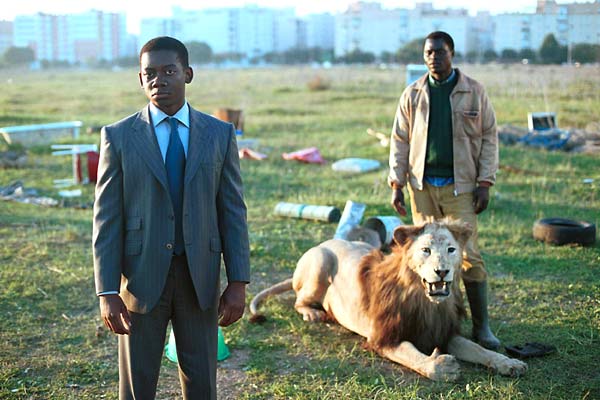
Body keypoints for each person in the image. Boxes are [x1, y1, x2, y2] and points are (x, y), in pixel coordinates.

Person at [93, 36, 250, 399]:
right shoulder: (118, 137)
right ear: (139, 79)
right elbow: (107, 219)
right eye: (149, 73)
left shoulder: (219, 134)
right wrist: (107, 291)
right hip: (140, 278)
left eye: (169, 71)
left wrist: (238, 281)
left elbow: (232, 212)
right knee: (137, 383)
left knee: (201, 382)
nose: (158, 80)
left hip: (200, 277)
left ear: (188, 74)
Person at [388, 31, 500, 350]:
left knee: (469, 257)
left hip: (461, 187)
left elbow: (490, 137)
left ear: (452, 53)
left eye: (440, 51)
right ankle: (437, 324)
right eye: (428, 53)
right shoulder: (412, 94)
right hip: (421, 186)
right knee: (428, 256)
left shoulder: (474, 92)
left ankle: (482, 328)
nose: (433, 57)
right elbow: (400, 140)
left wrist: (485, 182)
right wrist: (396, 183)